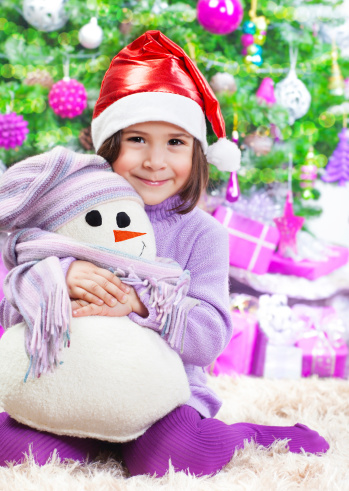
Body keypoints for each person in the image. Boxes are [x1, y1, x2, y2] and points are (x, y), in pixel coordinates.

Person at [0, 30, 329, 475]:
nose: (156, 161)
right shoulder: (69, 214)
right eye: (137, 140)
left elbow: (209, 335)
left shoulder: (202, 234)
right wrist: (58, 274)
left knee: (171, 457)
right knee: (19, 450)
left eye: (175, 142)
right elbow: (8, 308)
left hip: (161, 397)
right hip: (69, 385)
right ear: (108, 146)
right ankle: (93, 441)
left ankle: (255, 435)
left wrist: (140, 302)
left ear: (197, 153)